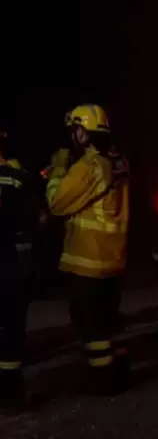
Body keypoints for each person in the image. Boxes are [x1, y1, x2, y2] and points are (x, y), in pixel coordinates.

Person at [46, 104, 130, 395]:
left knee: (91, 325)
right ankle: (118, 370)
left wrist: (58, 169)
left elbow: (57, 202)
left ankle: (104, 379)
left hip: (89, 260)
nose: (73, 135)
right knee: (109, 321)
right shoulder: (118, 162)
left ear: (84, 134)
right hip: (112, 258)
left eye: (76, 130)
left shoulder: (89, 166)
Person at [0, 131, 40, 409]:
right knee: (10, 326)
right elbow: (32, 220)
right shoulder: (16, 178)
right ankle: (10, 394)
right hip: (6, 260)